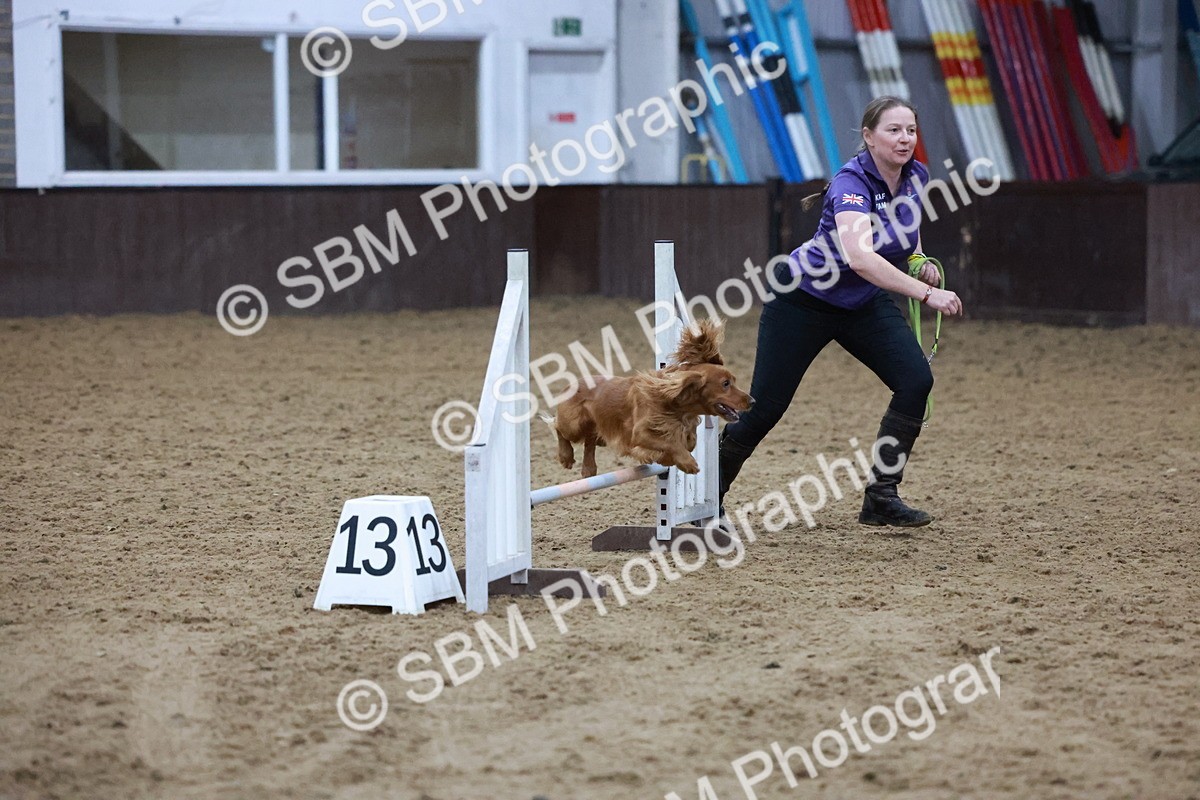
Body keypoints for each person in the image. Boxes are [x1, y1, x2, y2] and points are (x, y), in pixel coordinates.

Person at [719, 96, 963, 528]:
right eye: (893, 130)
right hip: (802, 299)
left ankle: (882, 497)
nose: (904, 138)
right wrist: (926, 297)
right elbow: (860, 258)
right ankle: (706, 498)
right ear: (868, 137)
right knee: (766, 407)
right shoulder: (852, 183)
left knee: (915, 381)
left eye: (910, 130)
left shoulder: (916, 175)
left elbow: (909, 230)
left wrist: (916, 261)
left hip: (861, 302)